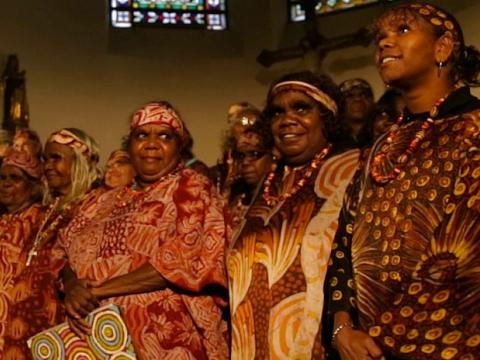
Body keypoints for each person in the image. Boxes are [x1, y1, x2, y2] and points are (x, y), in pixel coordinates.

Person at [326, 3, 480, 360]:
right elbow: (345, 239)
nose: (384, 43)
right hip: (362, 345)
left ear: (443, 47)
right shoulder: (382, 145)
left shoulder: (474, 130)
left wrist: (387, 336)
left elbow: (465, 251)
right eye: (381, 36)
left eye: (403, 31)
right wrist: (342, 327)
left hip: (449, 342)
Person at [57, 101, 230, 359]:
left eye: (164, 136)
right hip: (94, 341)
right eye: (141, 135)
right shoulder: (102, 200)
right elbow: (62, 251)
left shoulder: (191, 189)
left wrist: (95, 291)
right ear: (130, 145)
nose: (151, 143)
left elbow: (181, 259)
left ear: (179, 147)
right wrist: (72, 287)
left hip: (163, 339)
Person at [227, 71, 360, 359]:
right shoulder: (270, 182)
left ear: (327, 115)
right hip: (252, 343)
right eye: (277, 112)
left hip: (324, 344)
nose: (287, 119)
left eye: (301, 108)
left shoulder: (352, 169)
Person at [1, 128, 101, 359]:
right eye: (45, 159)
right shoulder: (45, 210)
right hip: (21, 319)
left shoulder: (95, 205)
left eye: (56, 158)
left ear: (80, 161)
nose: (47, 166)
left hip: (61, 319)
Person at [0, 148, 43, 357]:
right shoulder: (2, 220)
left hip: (17, 318)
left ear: (33, 186)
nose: (6, 183)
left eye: (15, 178)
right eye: (2, 177)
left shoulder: (40, 221)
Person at [229, 119, 274, 229]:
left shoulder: (280, 198)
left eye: (254, 154)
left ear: (273, 155)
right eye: (241, 156)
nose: (245, 162)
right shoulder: (235, 196)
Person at [339, 78, 375, 147]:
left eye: (363, 95)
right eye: (350, 96)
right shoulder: (333, 139)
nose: (357, 99)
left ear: (372, 101)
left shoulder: (382, 133)